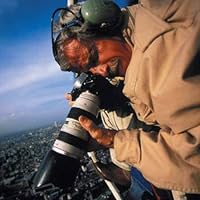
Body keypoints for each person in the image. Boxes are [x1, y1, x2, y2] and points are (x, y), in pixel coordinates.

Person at [52, 0, 200, 199]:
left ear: (106, 24)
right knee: (110, 115)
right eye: (90, 70)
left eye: (94, 58)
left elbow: (193, 160)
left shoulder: (159, 65)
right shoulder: (145, 14)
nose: (101, 71)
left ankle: (128, 171)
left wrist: (115, 141)